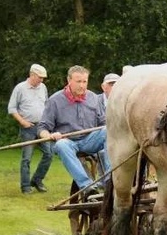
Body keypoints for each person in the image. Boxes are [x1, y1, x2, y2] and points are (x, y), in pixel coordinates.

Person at [37, 65, 111, 197]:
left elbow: (103, 123)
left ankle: (110, 180)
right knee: (61, 145)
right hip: (68, 142)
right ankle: (87, 186)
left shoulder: (94, 98)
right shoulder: (55, 100)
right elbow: (42, 128)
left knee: (108, 131)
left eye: (84, 81)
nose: (82, 85)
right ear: (69, 80)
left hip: (90, 139)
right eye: (78, 81)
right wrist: (51, 135)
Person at [7, 63, 53, 194]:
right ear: (32, 75)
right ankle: (25, 186)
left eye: (43, 78)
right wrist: (22, 121)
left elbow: (47, 105)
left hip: (42, 126)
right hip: (27, 127)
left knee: (49, 154)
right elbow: (11, 108)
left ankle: (37, 180)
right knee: (27, 158)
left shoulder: (43, 87)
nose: (42, 80)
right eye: (40, 77)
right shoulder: (20, 88)